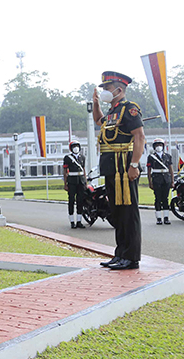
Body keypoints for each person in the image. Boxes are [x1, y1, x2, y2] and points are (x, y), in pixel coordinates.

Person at [92, 71, 145, 270]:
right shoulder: (113, 112)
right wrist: (96, 103)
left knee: (128, 212)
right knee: (116, 211)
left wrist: (134, 164)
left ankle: (131, 258)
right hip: (111, 168)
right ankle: (120, 254)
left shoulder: (129, 109)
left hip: (124, 168)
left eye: (107, 87)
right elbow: (99, 122)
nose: (105, 90)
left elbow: (139, 137)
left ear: (119, 89)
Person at [147, 138, 174, 225]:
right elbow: (148, 170)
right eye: (157, 145)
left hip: (166, 179)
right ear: (154, 147)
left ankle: (166, 218)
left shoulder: (168, 156)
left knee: (165, 199)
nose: (159, 147)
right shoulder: (151, 157)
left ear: (163, 146)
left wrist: (172, 181)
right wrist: (150, 182)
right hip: (156, 179)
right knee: (158, 199)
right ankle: (159, 218)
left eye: (160, 145)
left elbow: (171, 169)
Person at [63, 140, 86, 228]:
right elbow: (65, 171)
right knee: (71, 201)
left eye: (77, 146)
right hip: (71, 182)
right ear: (71, 148)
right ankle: (72, 221)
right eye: (74, 146)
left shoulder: (82, 157)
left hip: (81, 182)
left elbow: (83, 170)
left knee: (80, 201)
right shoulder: (67, 158)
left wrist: (85, 182)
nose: (76, 148)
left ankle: (79, 221)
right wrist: (65, 184)